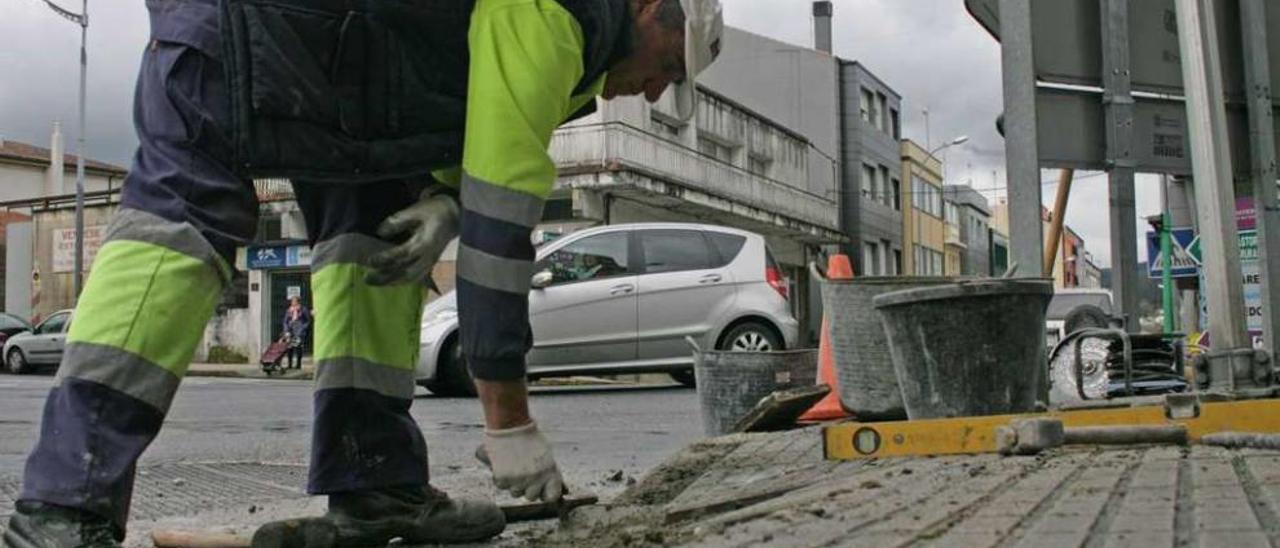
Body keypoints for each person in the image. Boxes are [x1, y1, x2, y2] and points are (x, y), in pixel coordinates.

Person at [1, 0, 723, 547]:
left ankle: (375, 481)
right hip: (245, 31)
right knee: (181, 230)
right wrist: (509, 425)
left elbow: (461, 104)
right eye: (672, 65)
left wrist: (442, 196)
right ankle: (62, 507)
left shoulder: (581, 44)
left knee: (377, 237)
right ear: (650, 7)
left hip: (348, 79)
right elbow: (502, 228)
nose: (659, 92)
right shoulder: (560, 13)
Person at [281, 296, 311, 370]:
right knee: (289, 347)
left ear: (298, 302)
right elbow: (285, 321)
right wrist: (286, 330)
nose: (293, 303)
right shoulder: (289, 310)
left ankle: (298, 364)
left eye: (294, 301)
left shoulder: (303, 309)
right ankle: (290, 364)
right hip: (290, 331)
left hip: (299, 331)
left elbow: (307, 321)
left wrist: (303, 328)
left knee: (298, 347)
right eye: (292, 301)